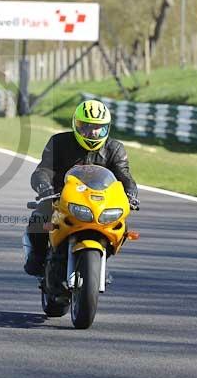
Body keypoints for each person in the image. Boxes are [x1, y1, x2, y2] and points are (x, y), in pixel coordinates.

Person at [23, 99, 139, 276]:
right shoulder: (59, 142)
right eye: (86, 126)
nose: (92, 132)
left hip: (98, 203)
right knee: (39, 217)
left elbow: (124, 175)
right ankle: (37, 258)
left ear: (107, 128)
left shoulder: (115, 149)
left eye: (98, 127)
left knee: (121, 225)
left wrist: (131, 193)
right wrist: (44, 186)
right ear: (76, 125)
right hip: (61, 199)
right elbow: (43, 169)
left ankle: (99, 261)